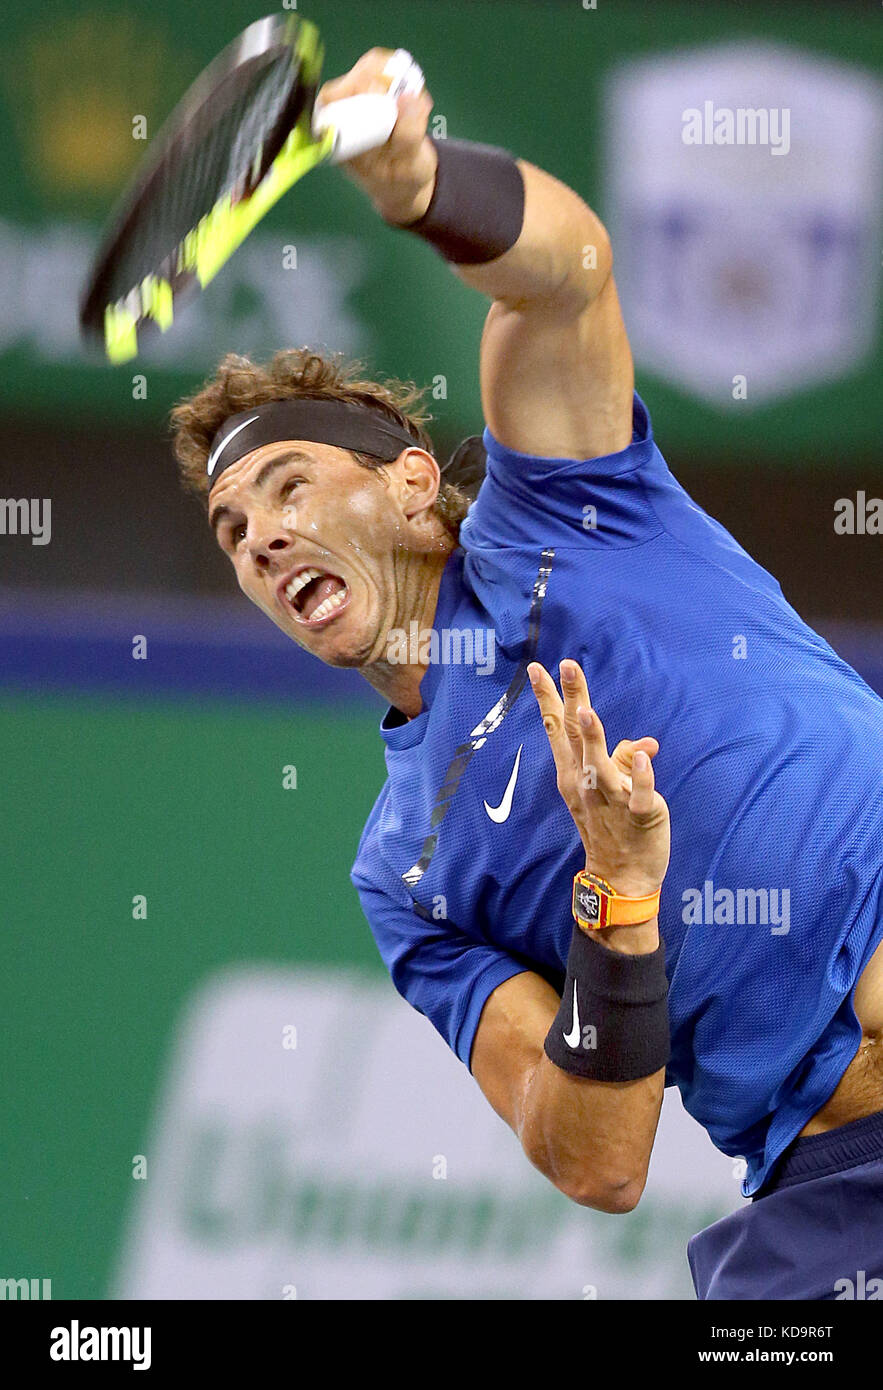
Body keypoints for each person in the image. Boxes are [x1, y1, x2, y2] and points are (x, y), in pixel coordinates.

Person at [170, 48, 883, 1299]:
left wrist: (414, 177)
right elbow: (591, 1158)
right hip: (838, 1198)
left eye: (287, 488)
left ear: (404, 486)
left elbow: (569, 278)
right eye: (233, 532)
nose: (263, 537)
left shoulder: (566, 507)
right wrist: (617, 899)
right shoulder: (405, 869)